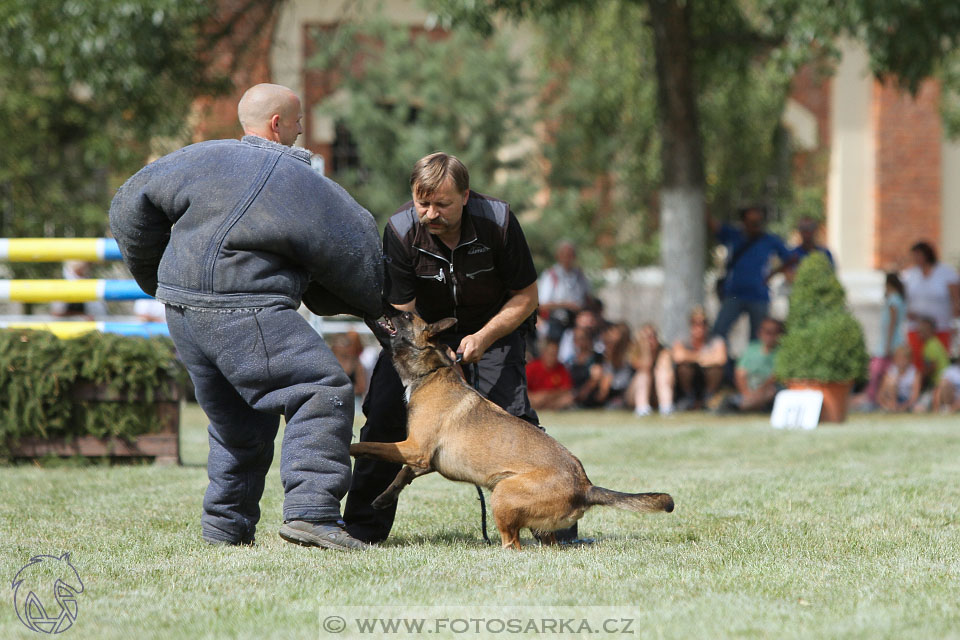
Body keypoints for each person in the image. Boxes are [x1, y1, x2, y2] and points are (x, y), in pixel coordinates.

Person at [109, 83, 383, 551]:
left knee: (239, 421)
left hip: (183, 311)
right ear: (278, 124)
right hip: (247, 306)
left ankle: (226, 529)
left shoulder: (195, 158)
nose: (301, 130)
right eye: (298, 121)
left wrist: (159, 280)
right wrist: (377, 307)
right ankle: (313, 514)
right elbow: (360, 249)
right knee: (321, 388)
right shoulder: (302, 180)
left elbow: (125, 208)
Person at [343, 151, 554, 544]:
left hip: (495, 327)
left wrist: (483, 338)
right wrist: (434, 361)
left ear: (466, 196)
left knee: (516, 417)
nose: (430, 213)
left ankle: (554, 530)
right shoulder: (402, 229)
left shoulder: (499, 222)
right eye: (423, 203)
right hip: (425, 336)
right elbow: (402, 316)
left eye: (442, 204)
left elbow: (525, 296)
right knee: (385, 413)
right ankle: (360, 530)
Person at [709, 205, 791, 342]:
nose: (756, 226)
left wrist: (772, 274)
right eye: (752, 222)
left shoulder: (769, 240)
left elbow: (790, 258)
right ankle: (724, 362)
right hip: (734, 294)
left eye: (759, 222)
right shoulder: (734, 235)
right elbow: (714, 226)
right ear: (744, 222)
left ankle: (751, 363)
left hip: (758, 295)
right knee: (719, 332)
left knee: (759, 338)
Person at [901, 241, 960, 372]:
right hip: (917, 327)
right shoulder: (910, 274)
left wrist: (956, 322)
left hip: (940, 326)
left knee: (938, 362)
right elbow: (906, 298)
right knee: (918, 362)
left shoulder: (946, 273)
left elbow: (956, 300)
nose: (916, 259)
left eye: (918, 255)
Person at [856, 273, 907, 409]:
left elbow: (892, 323)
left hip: (890, 342)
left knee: (877, 371)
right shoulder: (899, 299)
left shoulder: (893, 300)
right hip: (892, 341)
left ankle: (873, 398)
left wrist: (888, 345)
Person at [721, 317, 783, 413]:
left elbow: (774, 377)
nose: (769, 335)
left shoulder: (781, 352)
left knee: (771, 392)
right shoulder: (750, 349)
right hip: (748, 391)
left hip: (767, 391)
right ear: (760, 332)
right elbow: (740, 373)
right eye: (766, 331)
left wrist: (758, 392)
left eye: (773, 332)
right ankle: (749, 405)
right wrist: (746, 393)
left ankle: (740, 407)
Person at [670, 306, 727, 411]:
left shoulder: (716, 340)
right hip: (688, 381)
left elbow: (721, 359)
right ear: (690, 324)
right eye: (695, 322)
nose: (699, 326)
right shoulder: (683, 339)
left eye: (703, 323)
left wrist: (690, 356)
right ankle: (688, 398)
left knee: (716, 370)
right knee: (684, 368)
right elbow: (678, 357)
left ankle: (708, 399)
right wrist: (702, 357)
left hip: (708, 379)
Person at [538, 241, 592, 341]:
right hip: (557, 322)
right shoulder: (551, 275)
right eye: (565, 254)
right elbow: (542, 304)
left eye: (570, 255)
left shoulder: (580, 275)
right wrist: (566, 305)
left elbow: (588, 298)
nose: (567, 258)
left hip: (577, 323)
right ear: (558, 256)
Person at [627, 323, 674, 417]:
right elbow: (646, 365)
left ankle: (666, 408)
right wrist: (645, 348)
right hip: (633, 395)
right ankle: (642, 408)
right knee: (643, 375)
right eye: (647, 337)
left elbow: (669, 375)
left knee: (662, 372)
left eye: (653, 336)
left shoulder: (664, 352)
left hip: (656, 394)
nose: (651, 340)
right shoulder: (634, 352)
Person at [526, 337, 575, 410]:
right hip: (535, 398)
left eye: (555, 354)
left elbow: (566, 389)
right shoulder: (532, 367)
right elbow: (522, 389)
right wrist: (535, 396)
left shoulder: (561, 368)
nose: (553, 357)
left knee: (568, 399)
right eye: (551, 353)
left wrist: (547, 395)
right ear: (544, 353)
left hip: (553, 399)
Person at [784, 217, 834, 282]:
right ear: (799, 231)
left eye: (809, 228)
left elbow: (831, 275)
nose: (807, 232)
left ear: (815, 230)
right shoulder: (793, 255)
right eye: (803, 229)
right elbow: (788, 277)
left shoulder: (825, 254)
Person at [876, 345, 921, 413]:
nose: (901, 360)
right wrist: (885, 404)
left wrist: (903, 407)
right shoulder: (890, 372)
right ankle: (892, 407)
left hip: (907, 401)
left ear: (909, 359)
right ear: (895, 359)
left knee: (919, 409)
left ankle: (895, 408)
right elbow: (881, 394)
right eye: (899, 358)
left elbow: (914, 397)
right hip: (893, 401)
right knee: (891, 382)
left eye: (904, 358)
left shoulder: (915, 373)